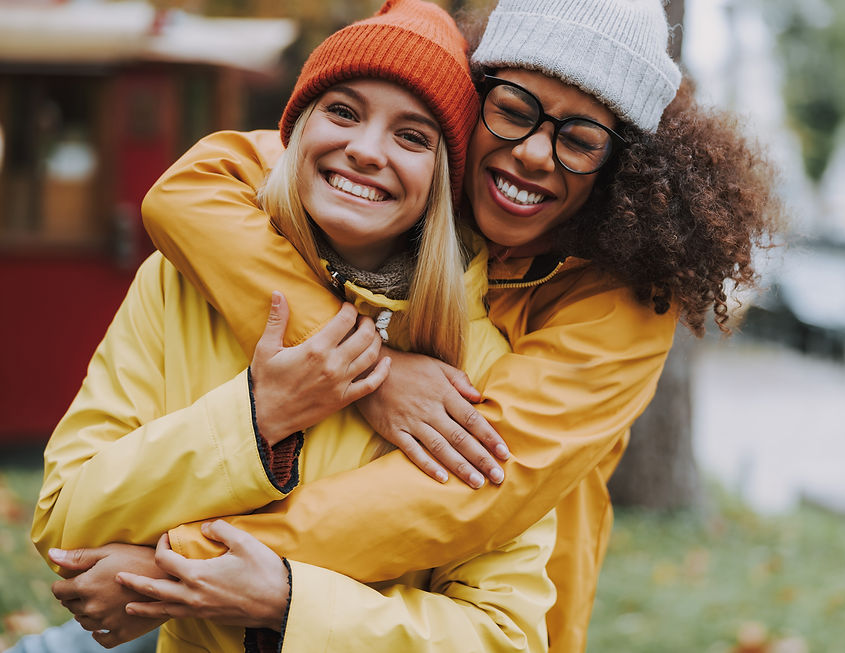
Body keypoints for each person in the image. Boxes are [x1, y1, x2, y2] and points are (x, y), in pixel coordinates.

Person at [32, 1, 782, 652]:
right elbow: (192, 188)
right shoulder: (388, 171)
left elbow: (465, 494)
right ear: (470, 108)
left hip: (430, 604)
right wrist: (368, 371)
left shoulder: (620, 307)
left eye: (580, 139)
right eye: (514, 109)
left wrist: (178, 569)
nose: (532, 152)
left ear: (622, 169)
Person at [25, 1, 557, 651]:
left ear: (443, 179)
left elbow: (504, 634)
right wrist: (255, 419)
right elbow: (64, 522)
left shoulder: (485, 364)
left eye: (412, 136)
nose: (365, 150)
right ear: (297, 129)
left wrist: (285, 600)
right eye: (344, 112)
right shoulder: (178, 283)